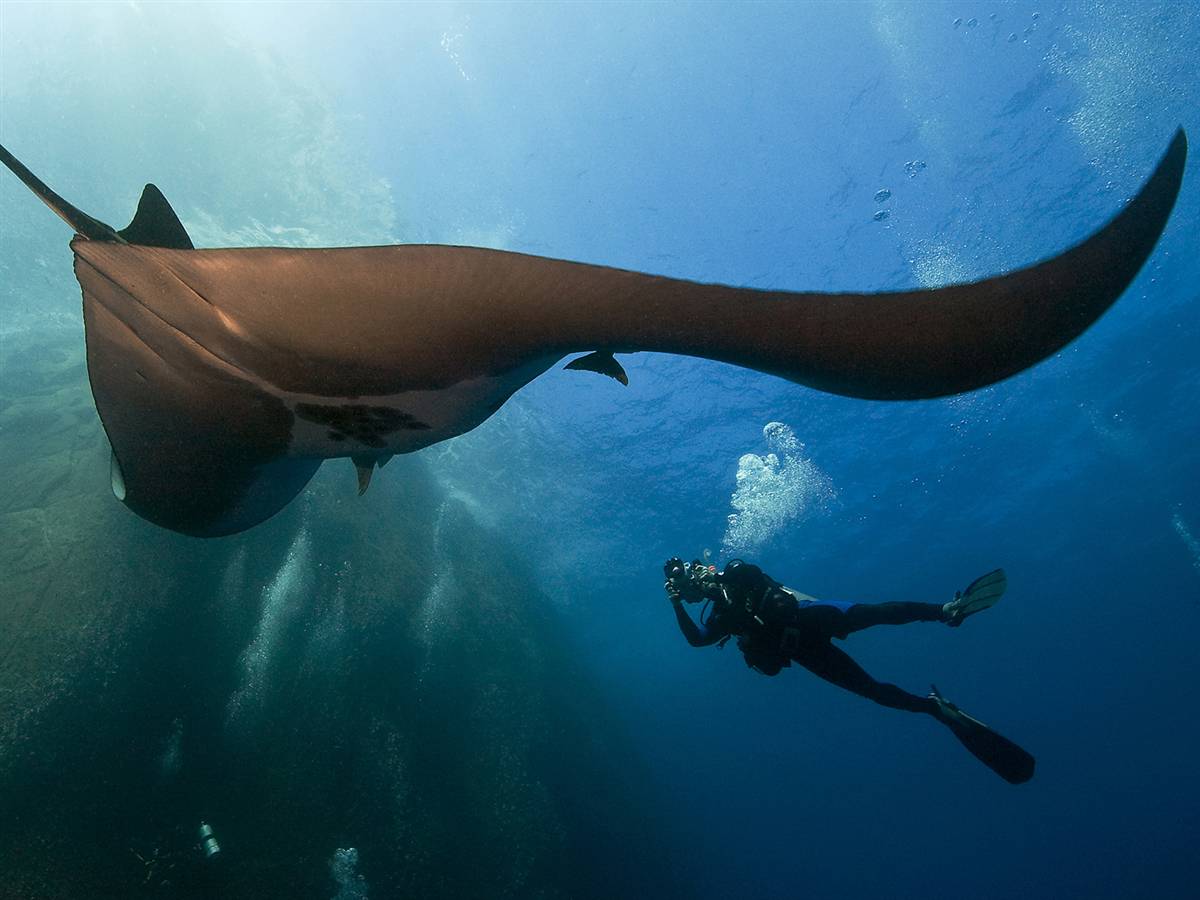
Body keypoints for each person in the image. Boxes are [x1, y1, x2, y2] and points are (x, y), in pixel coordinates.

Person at [663, 557, 1035, 784]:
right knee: (871, 690)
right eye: (685, 584)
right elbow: (697, 640)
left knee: (875, 613)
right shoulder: (720, 617)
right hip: (804, 651)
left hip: (811, 617)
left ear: (703, 568)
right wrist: (677, 603)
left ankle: (946, 611)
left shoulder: (732, 572)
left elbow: (751, 573)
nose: (692, 583)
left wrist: (716, 581)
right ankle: (934, 708)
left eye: (690, 574)